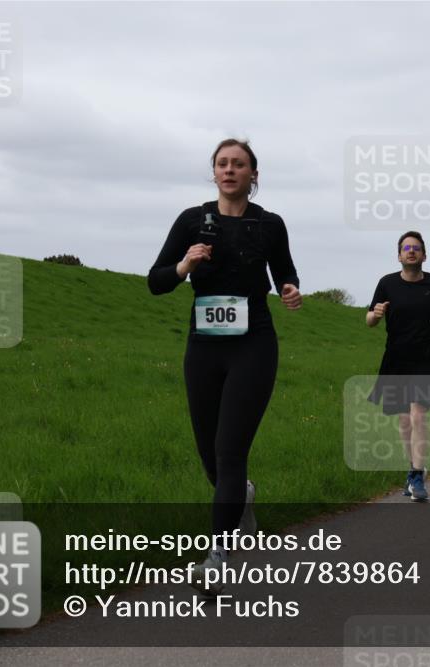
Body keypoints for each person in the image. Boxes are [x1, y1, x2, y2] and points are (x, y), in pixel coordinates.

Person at [147, 138, 301, 594]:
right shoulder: (192, 221)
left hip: (254, 345)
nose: (230, 170)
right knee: (210, 456)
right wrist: (183, 265)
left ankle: (217, 558)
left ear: (254, 175)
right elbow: (155, 282)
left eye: (239, 164)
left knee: (231, 450)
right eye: (222, 163)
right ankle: (243, 496)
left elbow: (286, 272)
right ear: (213, 172)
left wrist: (290, 289)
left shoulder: (269, 224)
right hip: (204, 346)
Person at [367, 231, 430, 502]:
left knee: (418, 415)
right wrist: (376, 315)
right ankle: (413, 469)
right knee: (404, 421)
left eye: (416, 248)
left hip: (425, 356)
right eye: (406, 248)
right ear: (399, 255)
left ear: (424, 255)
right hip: (396, 357)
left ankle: (417, 474)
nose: (411, 251)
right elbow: (369, 318)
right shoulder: (387, 283)